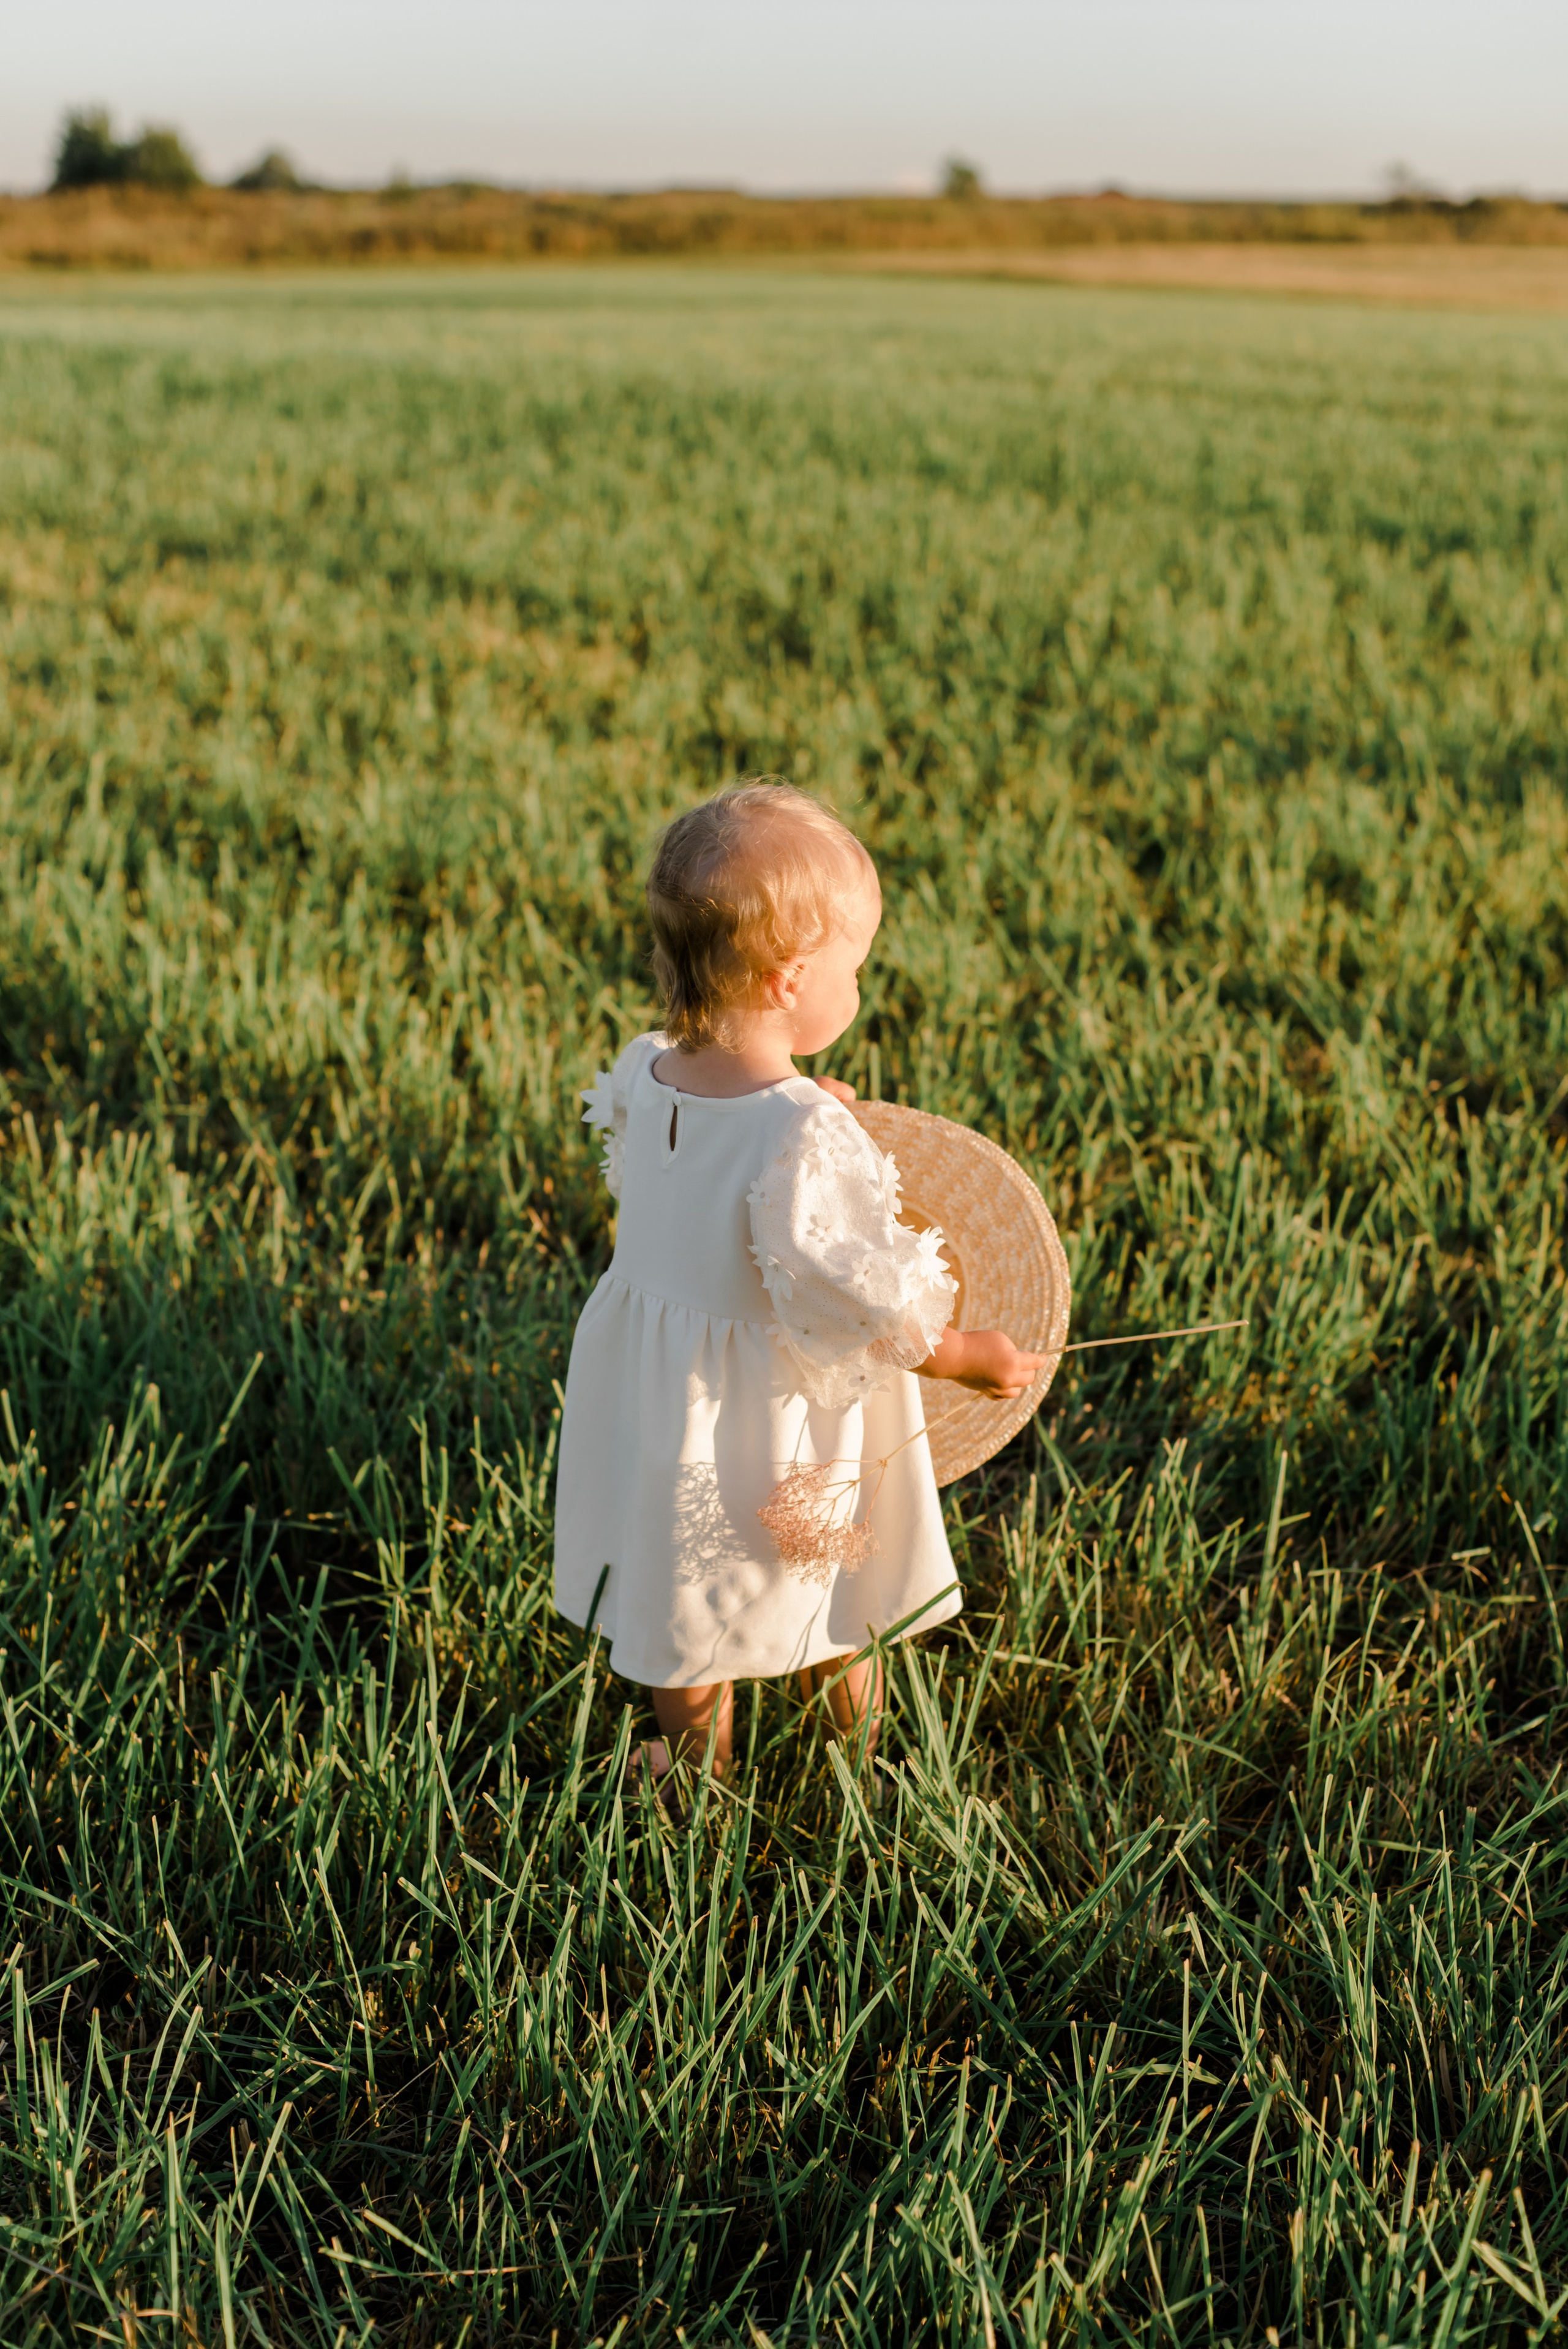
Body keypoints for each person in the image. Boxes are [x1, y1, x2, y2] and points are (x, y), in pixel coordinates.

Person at [552, 780, 1047, 1796]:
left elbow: (720, 1159)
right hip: (780, 1412)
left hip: (670, 1404)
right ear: (788, 980)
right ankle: (851, 1751)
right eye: (853, 970)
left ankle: (696, 1766)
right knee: (830, 1575)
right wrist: (962, 1353)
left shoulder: (648, 1071)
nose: (858, 990)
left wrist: (800, 1104)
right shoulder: (803, 1135)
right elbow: (850, 1291)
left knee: (686, 1589)